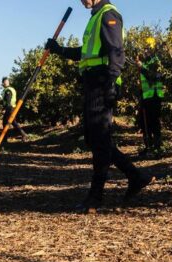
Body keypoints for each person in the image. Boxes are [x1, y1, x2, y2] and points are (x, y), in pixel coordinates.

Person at [46, 0, 152, 213]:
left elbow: (117, 52)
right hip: (93, 83)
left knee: (99, 139)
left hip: (102, 82)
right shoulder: (95, 16)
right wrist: (60, 50)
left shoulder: (108, 14)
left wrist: (111, 83)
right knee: (94, 138)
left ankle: (95, 197)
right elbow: (86, 52)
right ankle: (135, 176)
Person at [137, 37, 165, 157]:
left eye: (148, 48)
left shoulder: (156, 61)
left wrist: (142, 68)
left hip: (154, 96)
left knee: (154, 122)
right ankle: (148, 146)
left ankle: (157, 148)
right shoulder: (146, 62)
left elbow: (154, 77)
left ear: (153, 49)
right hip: (146, 96)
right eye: (145, 49)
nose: (145, 51)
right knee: (144, 123)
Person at [1, 77, 28, 142]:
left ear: (8, 82)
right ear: (3, 83)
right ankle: (5, 138)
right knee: (11, 122)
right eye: (5, 82)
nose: (5, 83)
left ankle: (23, 134)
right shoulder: (10, 89)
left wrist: (5, 109)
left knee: (8, 122)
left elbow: (8, 101)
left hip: (9, 108)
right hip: (12, 108)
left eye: (6, 82)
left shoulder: (8, 90)